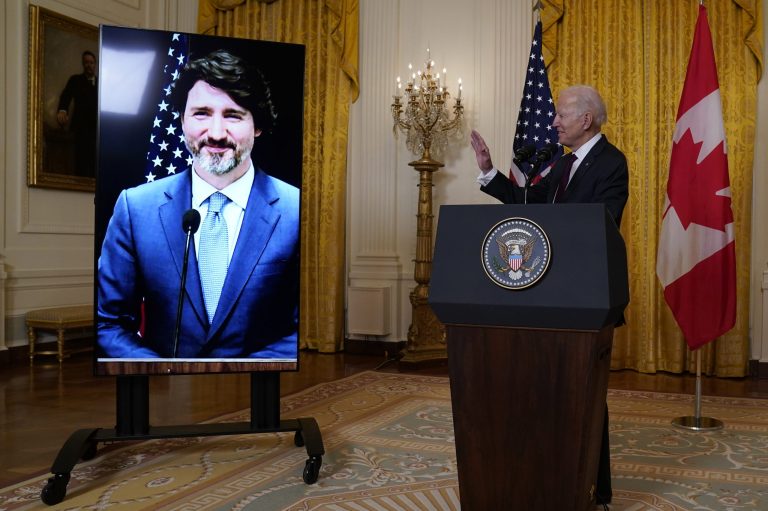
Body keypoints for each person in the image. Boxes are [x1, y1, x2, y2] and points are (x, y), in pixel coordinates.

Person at [470, 84, 629, 505]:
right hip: (548, 292)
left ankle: (596, 487)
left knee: (585, 391)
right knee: (548, 388)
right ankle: (548, 474)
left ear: (586, 120)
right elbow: (529, 205)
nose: (553, 121)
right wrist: (489, 171)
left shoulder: (612, 163)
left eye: (561, 115)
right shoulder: (561, 163)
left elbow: (603, 222)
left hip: (587, 294)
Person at [97, 49, 300, 360]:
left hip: (261, 390)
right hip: (164, 398)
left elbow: (302, 329)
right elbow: (108, 324)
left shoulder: (296, 210)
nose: (216, 133)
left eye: (233, 115)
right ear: (181, 120)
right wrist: (164, 374)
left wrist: (235, 377)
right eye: (201, 113)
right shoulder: (135, 208)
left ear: (258, 125)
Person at [57, 50, 98, 178]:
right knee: (80, 161)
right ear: (83, 64)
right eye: (86, 62)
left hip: (97, 130)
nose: (89, 65)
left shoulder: (101, 82)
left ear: (95, 64)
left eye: (91, 62)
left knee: (94, 163)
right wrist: (63, 110)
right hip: (80, 128)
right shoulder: (75, 80)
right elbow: (66, 96)